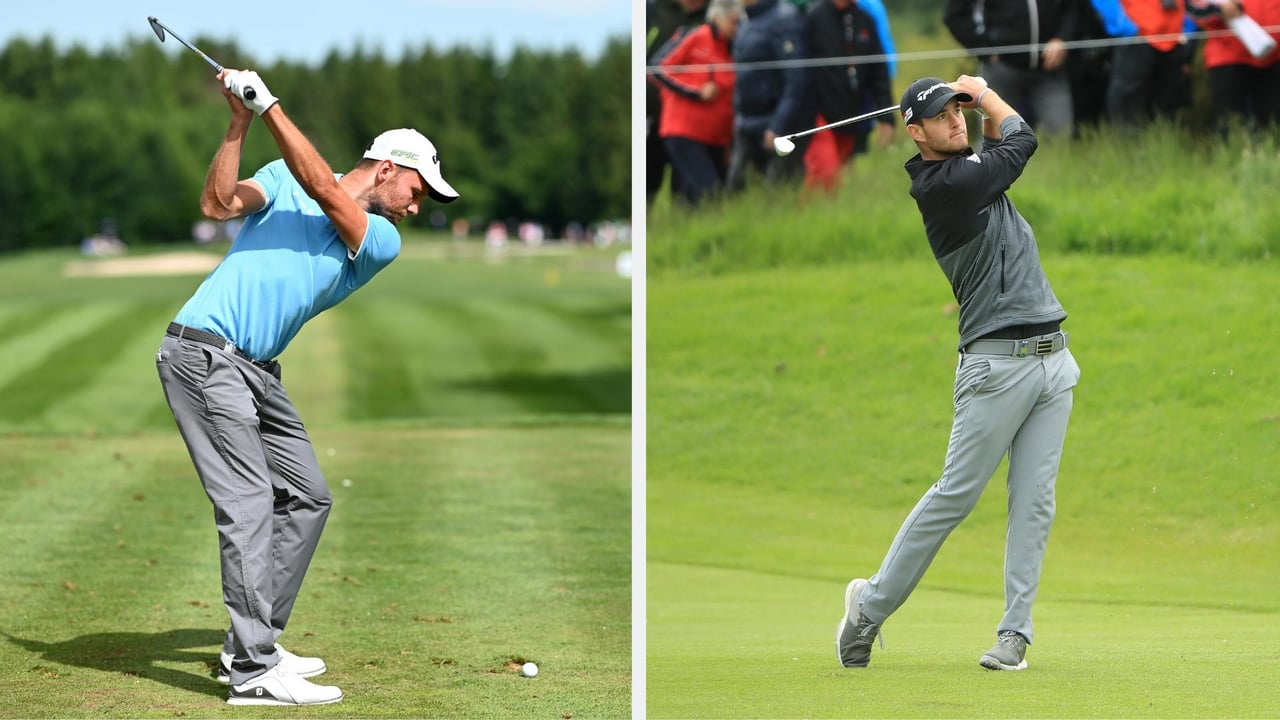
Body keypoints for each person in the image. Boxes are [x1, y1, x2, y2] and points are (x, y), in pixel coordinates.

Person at [156, 68, 459, 705]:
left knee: (308, 497)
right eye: (418, 188)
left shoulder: (379, 240)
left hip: (257, 372)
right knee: (247, 505)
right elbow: (216, 205)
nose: (417, 205)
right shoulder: (279, 180)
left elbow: (323, 187)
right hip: (205, 355)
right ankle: (253, 674)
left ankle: (251, 643)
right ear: (385, 169)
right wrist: (241, 122)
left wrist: (268, 105)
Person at [836, 75, 1081, 672]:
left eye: (959, 111)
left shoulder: (969, 166)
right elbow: (1021, 142)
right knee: (954, 497)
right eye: (942, 116)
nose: (955, 121)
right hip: (994, 368)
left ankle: (1013, 635)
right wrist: (988, 92)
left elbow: (1002, 145)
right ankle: (867, 608)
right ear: (915, 132)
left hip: (1054, 362)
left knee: (1034, 504)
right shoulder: (942, 186)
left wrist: (979, 104)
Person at [650, 0, 744, 205]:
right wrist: (696, 91)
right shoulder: (694, 35)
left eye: (740, 23)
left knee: (693, 195)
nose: (737, 28)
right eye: (733, 22)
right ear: (717, 18)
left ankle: (693, 232)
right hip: (684, 131)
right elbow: (657, 69)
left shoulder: (736, 48)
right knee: (711, 192)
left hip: (716, 137)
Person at [944, 0, 1079, 136]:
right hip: (1001, 68)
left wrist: (1062, 38)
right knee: (996, 139)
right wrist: (983, 48)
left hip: (1051, 69)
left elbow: (1074, 8)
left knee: (1061, 135)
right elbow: (955, 14)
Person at [801, 0, 895, 194]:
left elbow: (879, 71)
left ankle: (829, 220)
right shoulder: (814, 17)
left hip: (851, 114)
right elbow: (800, 70)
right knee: (826, 172)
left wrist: (886, 117)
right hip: (818, 116)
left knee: (843, 178)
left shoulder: (865, 19)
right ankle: (809, 217)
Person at [726, 0, 811, 192]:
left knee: (777, 192)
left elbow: (796, 80)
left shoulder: (785, 19)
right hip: (746, 122)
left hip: (776, 125)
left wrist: (777, 126)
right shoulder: (746, 19)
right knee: (735, 188)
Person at [1092, 0, 1198, 125]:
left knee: (1168, 111)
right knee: (1127, 108)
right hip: (1136, 39)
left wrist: (1188, 29)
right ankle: (1125, 143)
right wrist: (1126, 27)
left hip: (1174, 40)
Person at [646, 0, 712, 203]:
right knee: (645, 183)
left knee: (685, 189)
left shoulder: (714, 14)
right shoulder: (652, 10)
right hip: (651, 117)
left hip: (691, 122)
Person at [1187, 0, 1280, 130]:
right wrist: (1218, 10)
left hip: (1273, 58)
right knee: (1229, 123)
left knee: (1272, 125)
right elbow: (1193, 7)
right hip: (1228, 58)